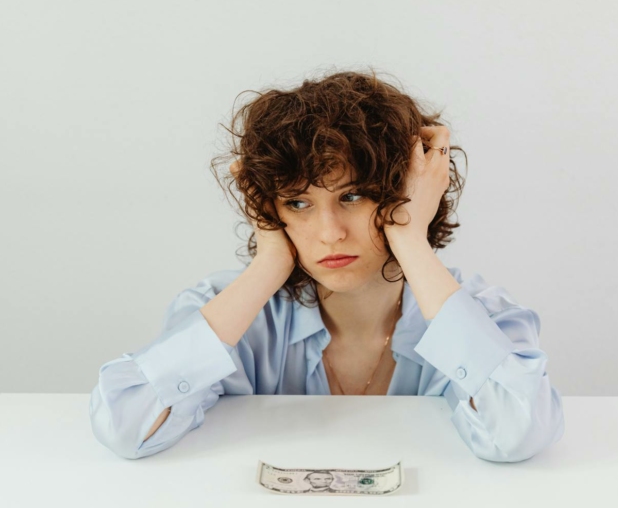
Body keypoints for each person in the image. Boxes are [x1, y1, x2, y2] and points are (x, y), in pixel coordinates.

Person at [89, 68, 565, 462]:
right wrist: (269, 262)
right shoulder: (229, 312)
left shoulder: (481, 315)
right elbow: (126, 428)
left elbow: (518, 432)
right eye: (297, 203)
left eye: (352, 196)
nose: (329, 232)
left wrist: (409, 237)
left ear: (410, 193)